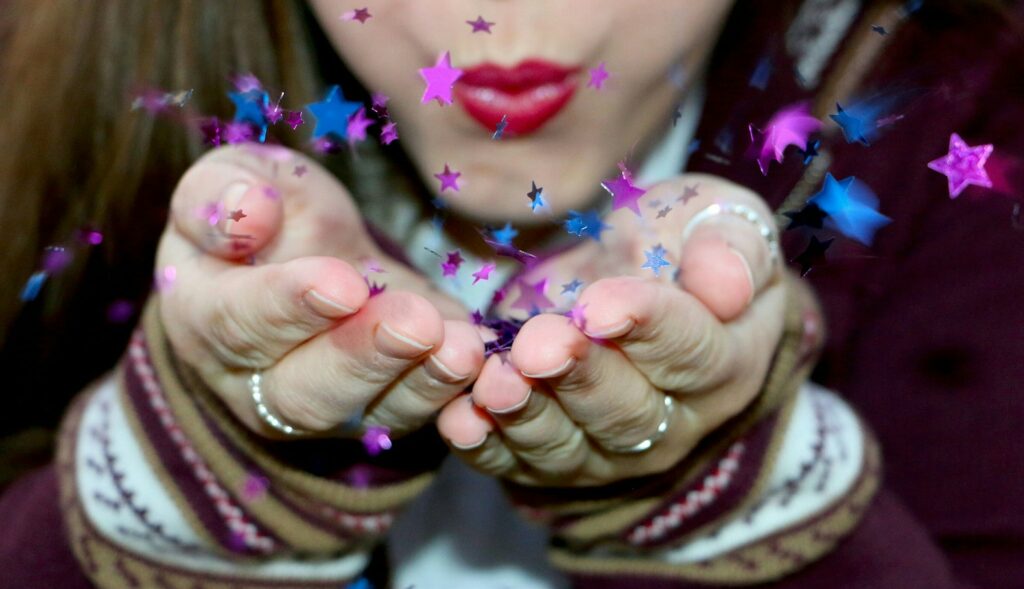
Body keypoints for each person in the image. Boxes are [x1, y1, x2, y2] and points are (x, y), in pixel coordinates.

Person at [0, 0, 1021, 588]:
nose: (512, 26)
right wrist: (190, 468)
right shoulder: (87, 106)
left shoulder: (960, 134)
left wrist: (745, 485)